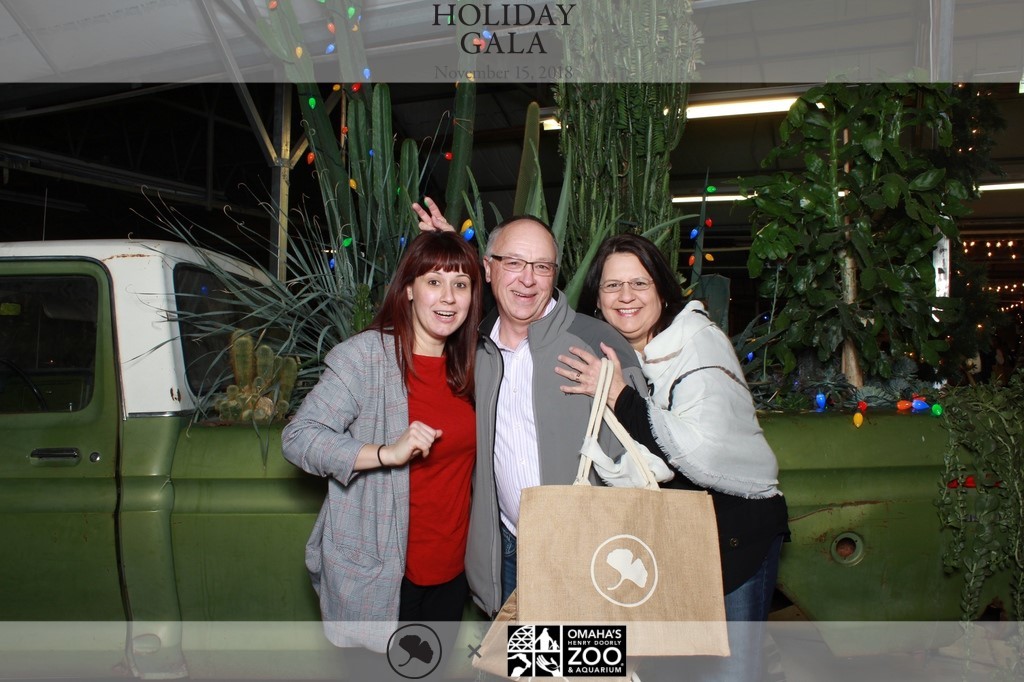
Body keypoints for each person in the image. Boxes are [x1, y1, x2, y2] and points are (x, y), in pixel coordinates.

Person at [560, 233, 790, 681]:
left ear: (662, 291)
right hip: (667, 541)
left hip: (734, 536)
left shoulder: (698, 343)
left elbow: (699, 450)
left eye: (639, 283)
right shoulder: (616, 356)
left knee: (732, 672)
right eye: (612, 286)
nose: (626, 296)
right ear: (597, 300)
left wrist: (620, 396)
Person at [412, 198, 650, 617]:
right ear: (488, 269)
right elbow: (421, 311)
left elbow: (648, 450)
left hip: (589, 558)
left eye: (542, 266)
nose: (528, 279)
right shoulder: (471, 349)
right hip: (507, 553)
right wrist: (450, 250)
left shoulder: (599, 343)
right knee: (514, 657)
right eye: (514, 263)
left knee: (581, 659)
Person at [281, 230, 482, 652]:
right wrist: (385, 453)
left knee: (431, 671)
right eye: (433, 281)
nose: (448, 297)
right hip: (384, 573)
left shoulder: (472, 365)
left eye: (460, 284)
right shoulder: (366, 357)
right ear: (409, 288)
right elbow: (299, 437)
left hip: (453, 569)